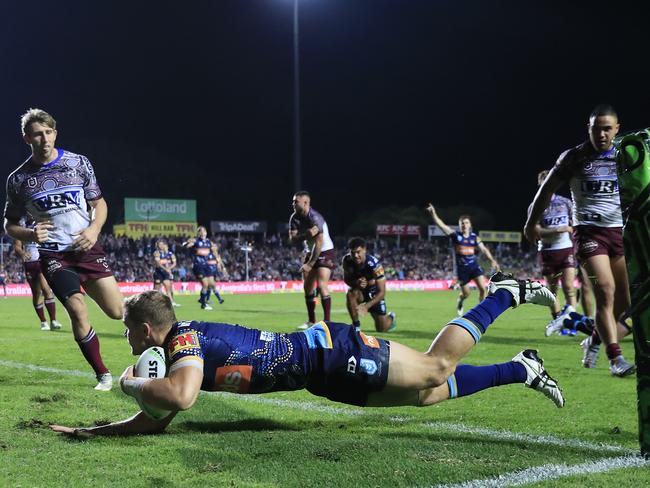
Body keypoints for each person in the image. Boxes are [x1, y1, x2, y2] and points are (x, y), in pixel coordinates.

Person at [50, 272, 564, 437]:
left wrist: (128, 382)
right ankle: (522, 368)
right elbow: (156, 418)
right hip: (318, 375)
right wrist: (92, 432)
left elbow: (180, 398)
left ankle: (505, 292)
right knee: (426, 397)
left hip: (329, 352)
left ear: (145, 330)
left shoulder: (182, 341)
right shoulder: (175, 348)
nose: (128, 345)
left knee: (434, 368)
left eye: (128, 336)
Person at [3, 108, 124, 390]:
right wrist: (30, 234)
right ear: (26, 138)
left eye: (48, 132)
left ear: (55, 133)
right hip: (54, 256)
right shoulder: (18, 180)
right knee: (77, 310)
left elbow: (100, 203)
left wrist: (94, 230)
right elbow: (9, 224)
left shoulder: (78, 163)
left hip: (86, 249)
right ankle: (103, 374)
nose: (44, 139)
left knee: (117, 312)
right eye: (37, 134)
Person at [524, 104, 634, 377]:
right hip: (589, 234)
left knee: (624, 300)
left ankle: (594, 340)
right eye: (596, 128)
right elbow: (547, 190)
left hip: (620, 233)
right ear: (589, 128)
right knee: (605, 290)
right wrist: (531, 223)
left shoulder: (626, 156)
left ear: (617, 129)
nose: (602, 134)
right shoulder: (573, 158)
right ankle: (615, 359)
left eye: (607, 128)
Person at [528, 170, 578, 336]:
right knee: (552, 291)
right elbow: (535, 231)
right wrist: (557, 229)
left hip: (566, 248)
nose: (547, 183)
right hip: (547, 252)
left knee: (570, 287)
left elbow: (575, 223)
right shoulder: (535, 206)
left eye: (549, 179)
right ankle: (558, 320)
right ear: (539, 183)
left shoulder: (565, 203)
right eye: (543, 180)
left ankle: (571, 323)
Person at [426, 204, 499, 316]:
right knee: (466, 293)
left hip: (474, 267)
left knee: (483, 289)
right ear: (459, 226)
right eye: (462, 223)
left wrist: (492, 260)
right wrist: (433, 213)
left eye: (466, 223)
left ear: (470, 225)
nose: (464, 225)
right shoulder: (456, 236)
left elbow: (484, 249)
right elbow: (441, 226)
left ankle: (481, 313)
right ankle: (460, 300)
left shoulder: (474, 237)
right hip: (462, 270)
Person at [289, 191, 336, 329]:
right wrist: (306, 235)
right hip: (310, 251)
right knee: (307, 287)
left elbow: (319, 243)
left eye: (295, 202)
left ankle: (327, 322)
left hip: (325, 250)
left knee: (322, 285)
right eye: (293, 201)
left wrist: (310, 264)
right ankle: (311, 321)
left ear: (305, 203)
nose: (293, 204)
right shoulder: (294, 218)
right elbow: (292, 239)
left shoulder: (315, 218)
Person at [342, 237, 396, 332]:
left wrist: (367, 306)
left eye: (358, 252)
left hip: (374, 293)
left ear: (364, 250)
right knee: (350, 294)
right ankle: (356, 326)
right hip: (360, 292)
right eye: (353, 252)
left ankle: (391, 317)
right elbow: (346, 280)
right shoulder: (347, 261)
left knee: (382, 329)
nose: (355, 255)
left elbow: (382, 292)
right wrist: (356, 283)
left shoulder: (375, 265)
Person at [14, 234, 63, 331]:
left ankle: (53, 321)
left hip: (42, 260)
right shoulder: (20, 226)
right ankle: (43, 322)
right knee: (36, 293)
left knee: (46, 289)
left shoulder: (41, 224)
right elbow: (17, 246)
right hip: (30, 263)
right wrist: (22, 253)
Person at [183, 226, 226, 310]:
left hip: (206, 266)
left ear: (206, 233)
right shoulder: (196, 241)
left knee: (211, 284)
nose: (203, 233)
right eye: (201, 232)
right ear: (198, 233)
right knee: (205, 284)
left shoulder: (208, 242)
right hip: (198, 265)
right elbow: (187, 246)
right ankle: (203, 304)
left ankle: (202, 299)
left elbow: (215, 251)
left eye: (204, 231)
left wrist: (220, 263)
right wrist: (187, 243)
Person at [152, 239, 180, 307]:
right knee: (156, 290)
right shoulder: (156, 253)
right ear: (157, 245)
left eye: (162, 244)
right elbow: (158, 263)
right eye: (160, 244)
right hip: (158, 272)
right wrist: (166, 269)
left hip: (165, 273)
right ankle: (153, 302)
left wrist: (168, 269)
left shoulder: (168, 253)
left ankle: (171, 302)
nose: (161, 246)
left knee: (168, 287)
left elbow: (174, 263)